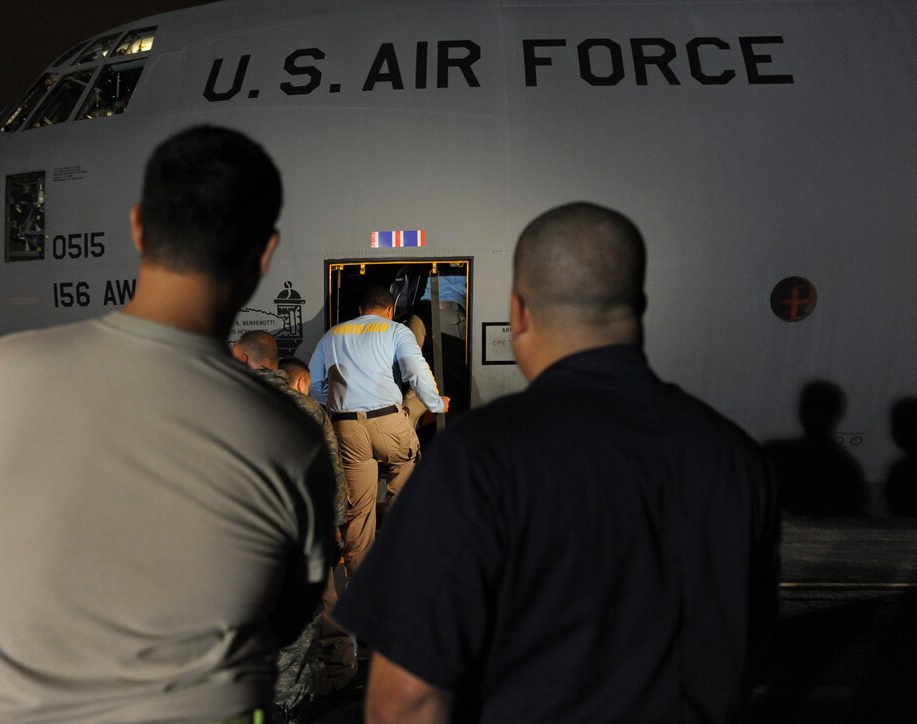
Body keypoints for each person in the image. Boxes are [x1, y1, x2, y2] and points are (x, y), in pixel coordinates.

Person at [0, 125, 336, 723]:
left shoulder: (6, 371)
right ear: (265, 252)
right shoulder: (290, 431)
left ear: (137, 227)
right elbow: (288, 613)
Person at [333, 202, 779, 723]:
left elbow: (404, 700)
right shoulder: (735, 458)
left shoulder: (479, 457)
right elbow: (751, 653)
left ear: (519, 312)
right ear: (637, 304)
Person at [231, 330, 352, 718]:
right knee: (297, 630)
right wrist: (335, 528)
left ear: (243, 358)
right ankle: (290, 707)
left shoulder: (223, 405)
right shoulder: (309, 410)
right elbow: (332, 477)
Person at [308, 284, 449, 576]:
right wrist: (436, 404)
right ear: (389, 311)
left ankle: (359, 584)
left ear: (360, 311)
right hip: (387, 422)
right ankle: (398, 563)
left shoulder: (333, 334)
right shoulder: (396, 330)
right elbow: (415, 370)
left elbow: (313, 384)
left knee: (358, 509)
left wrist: (335, 402)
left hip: (345, 426)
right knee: (404, 473)